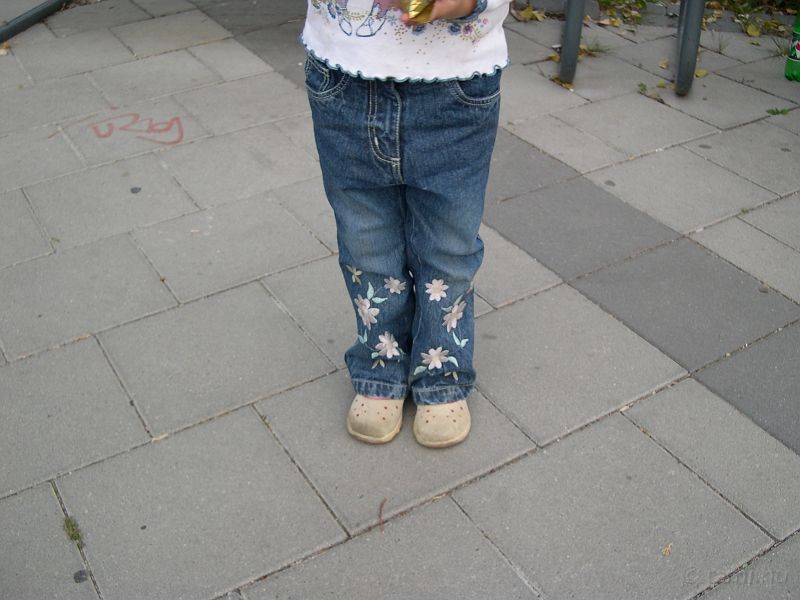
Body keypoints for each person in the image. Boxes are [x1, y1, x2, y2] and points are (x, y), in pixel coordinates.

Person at [301, 0, 509, 448]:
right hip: (343, 76)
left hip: (456, 82)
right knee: (365, 239)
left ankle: (441, 370)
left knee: (448, 243)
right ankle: (381, 362)